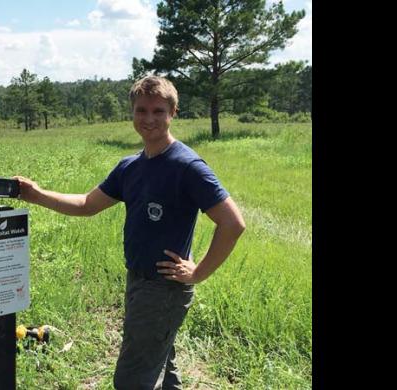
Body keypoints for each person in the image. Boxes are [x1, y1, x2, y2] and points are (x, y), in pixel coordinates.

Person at [13, 75, 245, 389]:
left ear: (173, 113)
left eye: (158, 111)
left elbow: (232, 223)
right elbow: (86, 204)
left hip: (162, 289)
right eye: (142, 110)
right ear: (132, 113)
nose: (149, 119)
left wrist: (199, 272)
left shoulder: (187, 166)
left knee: (132, 379)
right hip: (139, 280)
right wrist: (36, 194)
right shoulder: (130, 167)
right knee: (162, 366)